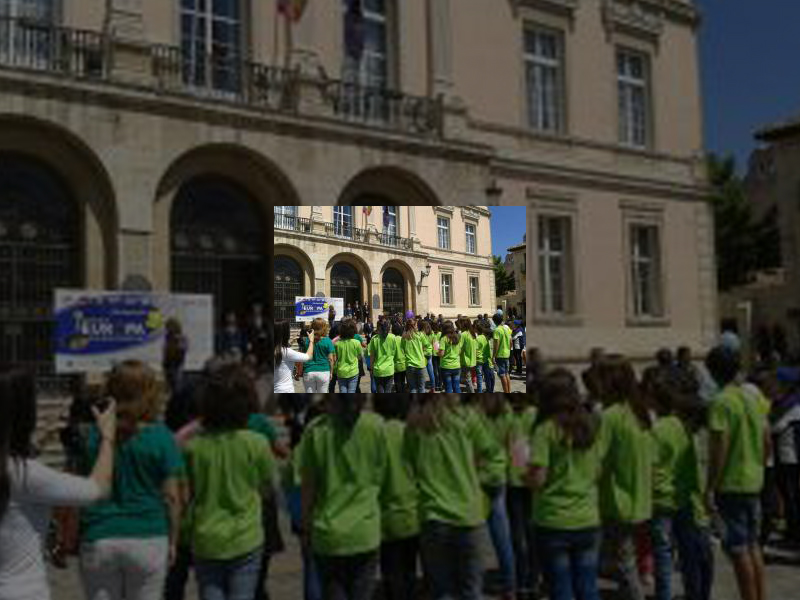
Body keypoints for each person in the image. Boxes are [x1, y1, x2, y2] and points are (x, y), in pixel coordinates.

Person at [0, 368, 116, 600]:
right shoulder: (26, 474)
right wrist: (107, 436)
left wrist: (42, 438)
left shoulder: (18, 473)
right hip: (22, 591)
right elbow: (97, 489)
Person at [79, 361, 184, 600]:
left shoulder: (94, 436)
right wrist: (174, 539)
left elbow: (81, 488)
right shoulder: (162, 437)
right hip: (148, 535)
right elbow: (171, 497)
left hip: (100, 535)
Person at [185, 364, 276, 600]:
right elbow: (268, 489)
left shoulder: (194, 448)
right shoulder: (257, 443)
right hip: (245, 536)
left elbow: (188, 493)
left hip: (206, 537)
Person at [405, 393, 506, 600]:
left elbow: (409, 465)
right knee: (471, 591)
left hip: (433, 514)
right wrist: (481, 479)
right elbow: (494, 455)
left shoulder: (414, 424)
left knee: (442, 592)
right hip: (468, 514)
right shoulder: (466, 418)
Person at [526, 369, 607, 600]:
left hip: (554, 519)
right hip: (587, 517)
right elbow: (598, 471)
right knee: (588, 587)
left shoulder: (546, 430)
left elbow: (538, 479)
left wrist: (525, 474)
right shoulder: (589, 426)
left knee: (561, 588)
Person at [300, 395, 388, 600]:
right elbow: (383, 476)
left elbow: (309, 488)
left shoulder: (316, 430)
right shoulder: (376, 426)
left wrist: (306, 528)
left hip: (327, 533)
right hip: (365, 530)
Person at [705, 346, 769, 600]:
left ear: (713, 372)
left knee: (738, 549)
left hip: (731, 483)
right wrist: (759, 464)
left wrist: (711, 486)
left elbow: (719, 449)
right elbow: (766, 440)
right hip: (754, 479)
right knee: (753, 546)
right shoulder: (752, 397)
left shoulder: (721, 401)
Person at [645, 372, 714, 600]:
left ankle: (664, 595)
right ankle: (694, 593)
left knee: (663, 555)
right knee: (688, 553)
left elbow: (650, 466)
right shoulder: (683, 426)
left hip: (660, 499)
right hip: (684, 498)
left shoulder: (657, 430)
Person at [598, 355, 654, 600]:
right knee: (624, 561)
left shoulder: (610, 416)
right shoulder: (639, 411)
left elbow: (597, 460)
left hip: (618, 501)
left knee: (625, 565)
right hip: (641, 498)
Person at [373, 396, 419, 600]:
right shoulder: (410, 432)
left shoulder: (377, 434)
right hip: (412, 512)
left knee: (391, 572)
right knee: (409, 569)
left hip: (386, 516)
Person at [479, 396, 516, 600]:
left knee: (475, 537)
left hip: (479, 476)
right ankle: (510, 585)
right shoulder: (507, 411)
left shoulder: (475, 413)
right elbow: (510, 445)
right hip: (499, 475)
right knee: (502, 536)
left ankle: (474, 582)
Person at [506, 394, 538, 598]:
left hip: (527, 481)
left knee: (526, 534)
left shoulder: (531, 413)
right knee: (521, 535)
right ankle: (526, 579)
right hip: (516, 482)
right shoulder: (508, 413)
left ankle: (529, 579)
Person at [771, 366, 800, 544]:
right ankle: (791, 531)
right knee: (789, 496)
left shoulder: (792, 404)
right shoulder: (784, 402)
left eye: (778, 382)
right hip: (786, 455)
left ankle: (794, 535)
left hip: (790, 457)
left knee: (791, 497)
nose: (774, 385)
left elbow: (776, 427)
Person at [274, 320, 315, 393]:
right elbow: (308, 357)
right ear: (286, 333)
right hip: (285, 389)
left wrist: (291, 341)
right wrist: (311, 341)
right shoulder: (286, 352)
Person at [301, 319, 335, 393]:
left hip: (309, 371)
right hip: (324, 371)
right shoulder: (328, 341)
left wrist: (300, 371)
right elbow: (331, 359)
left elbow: (302, 357)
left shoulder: (307, 340)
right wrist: (331, 372)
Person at [335, 319, 363, 393]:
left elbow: (336, 358)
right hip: (353, 371)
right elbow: (360, 357)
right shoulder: (356, 342)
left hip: (341, 371)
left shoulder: (337, 344)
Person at [368, 319, 397, 393]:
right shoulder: (393, 337)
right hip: (389, 369)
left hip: (378, 370)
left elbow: (372, 356)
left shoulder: (374, 339)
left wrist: (371, 369)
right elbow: (395, 353)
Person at [401, 320, 428, 394]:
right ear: (414, 326)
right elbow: (426, 345)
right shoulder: (420, 335)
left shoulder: (404, 336)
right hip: (420, 364)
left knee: (413, 388)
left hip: (410, 364)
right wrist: (421, 349)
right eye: (416, 325)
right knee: (421, 387)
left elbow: (402, 348)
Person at [163, 318, 188, 394]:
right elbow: (166, 350)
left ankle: (178, 396)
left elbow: (183, 350)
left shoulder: (181, 338)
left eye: (169, 327)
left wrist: (177, 342)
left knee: (177, 385)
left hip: (177, 363)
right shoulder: (167, 337)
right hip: (167, 363)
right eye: (167, 327)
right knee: (168, 383)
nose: (167, 329)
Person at [438, 321, 463, 393]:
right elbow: (460, 351)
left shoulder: (444, 338)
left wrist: (438, 352)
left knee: (448, 388)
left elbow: (441, 354)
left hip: (446, 366)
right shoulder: (457, 337)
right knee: (457, 387)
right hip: (456, 365)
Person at [493, 314, 513, 394]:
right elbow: (511, 342)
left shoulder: (497, 330)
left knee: (502, 375)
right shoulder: (506, 329)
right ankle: (509, 391)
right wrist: (508, 349)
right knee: (507, 373)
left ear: (494, 321)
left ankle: (506, 391)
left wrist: (494, 356)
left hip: (500, 355)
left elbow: (496, 344)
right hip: (507, 354)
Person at [459, 319, 477, 394]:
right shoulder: (472, 333)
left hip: (466, 360)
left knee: (468, 380)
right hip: (472, 360)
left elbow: (459, 348)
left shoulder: (463, 334)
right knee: (466, 379)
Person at [420, 321, 437, 392]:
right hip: (430, 353)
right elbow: (435, 344)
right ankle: (433, 387)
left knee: (422, 372)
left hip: (423, 353)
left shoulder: (421, 333)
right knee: (431, 371)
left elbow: (421, 344)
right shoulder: (432, 333)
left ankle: (422, 387)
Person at [392, 321, 408, 393]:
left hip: (396, 364)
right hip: (404, 363)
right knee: (402, 381)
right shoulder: (403, 339)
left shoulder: (393, 340)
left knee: (397, 382)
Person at [431, 321, 443, 392]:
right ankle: (440, 384)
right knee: (439, 369)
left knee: (435, 370)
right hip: (439, 353)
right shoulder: (440, 333)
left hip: (434, 354)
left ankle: (437, 384)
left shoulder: (431, 333)